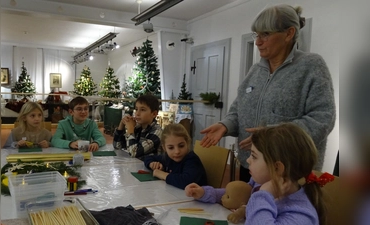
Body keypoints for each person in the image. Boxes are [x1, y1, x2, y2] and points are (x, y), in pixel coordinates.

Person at [200, 4, 336, 182]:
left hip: (288, 173)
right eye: (257, 34)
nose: (258, 42)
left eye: (266, 34)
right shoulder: (255, 71)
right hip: (250, 167)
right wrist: (225, 125)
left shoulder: (311, 66)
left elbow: (323, 119)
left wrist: (273, 135)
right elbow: (238, 110)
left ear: (289, 34)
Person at [186, 123, 335, 225]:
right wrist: (205, 193)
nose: (248, 160)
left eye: (254, 156)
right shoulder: (260, 183)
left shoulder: (301, 215)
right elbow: (236, 194)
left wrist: (264, 194)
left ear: (277, 168)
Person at [144, 124, 207, 189]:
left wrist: (161, 174)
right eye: (171, 148)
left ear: (187, 143)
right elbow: (149, 158)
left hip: (196, 198)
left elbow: (187, 182)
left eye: (181, 146)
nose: (177, 151)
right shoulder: (167, 157)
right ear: (164, 148)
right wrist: (152, 164)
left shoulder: (191, 159)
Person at [113, 94, 162, 159]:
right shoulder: (138, 128)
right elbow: (117, 146)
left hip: (149, 168)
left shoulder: (157, 131)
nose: (137, 113)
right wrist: (121, 125)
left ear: (154, 114)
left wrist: (130, 129)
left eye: (142, 110)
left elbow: (134, 153)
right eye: (136, 109)